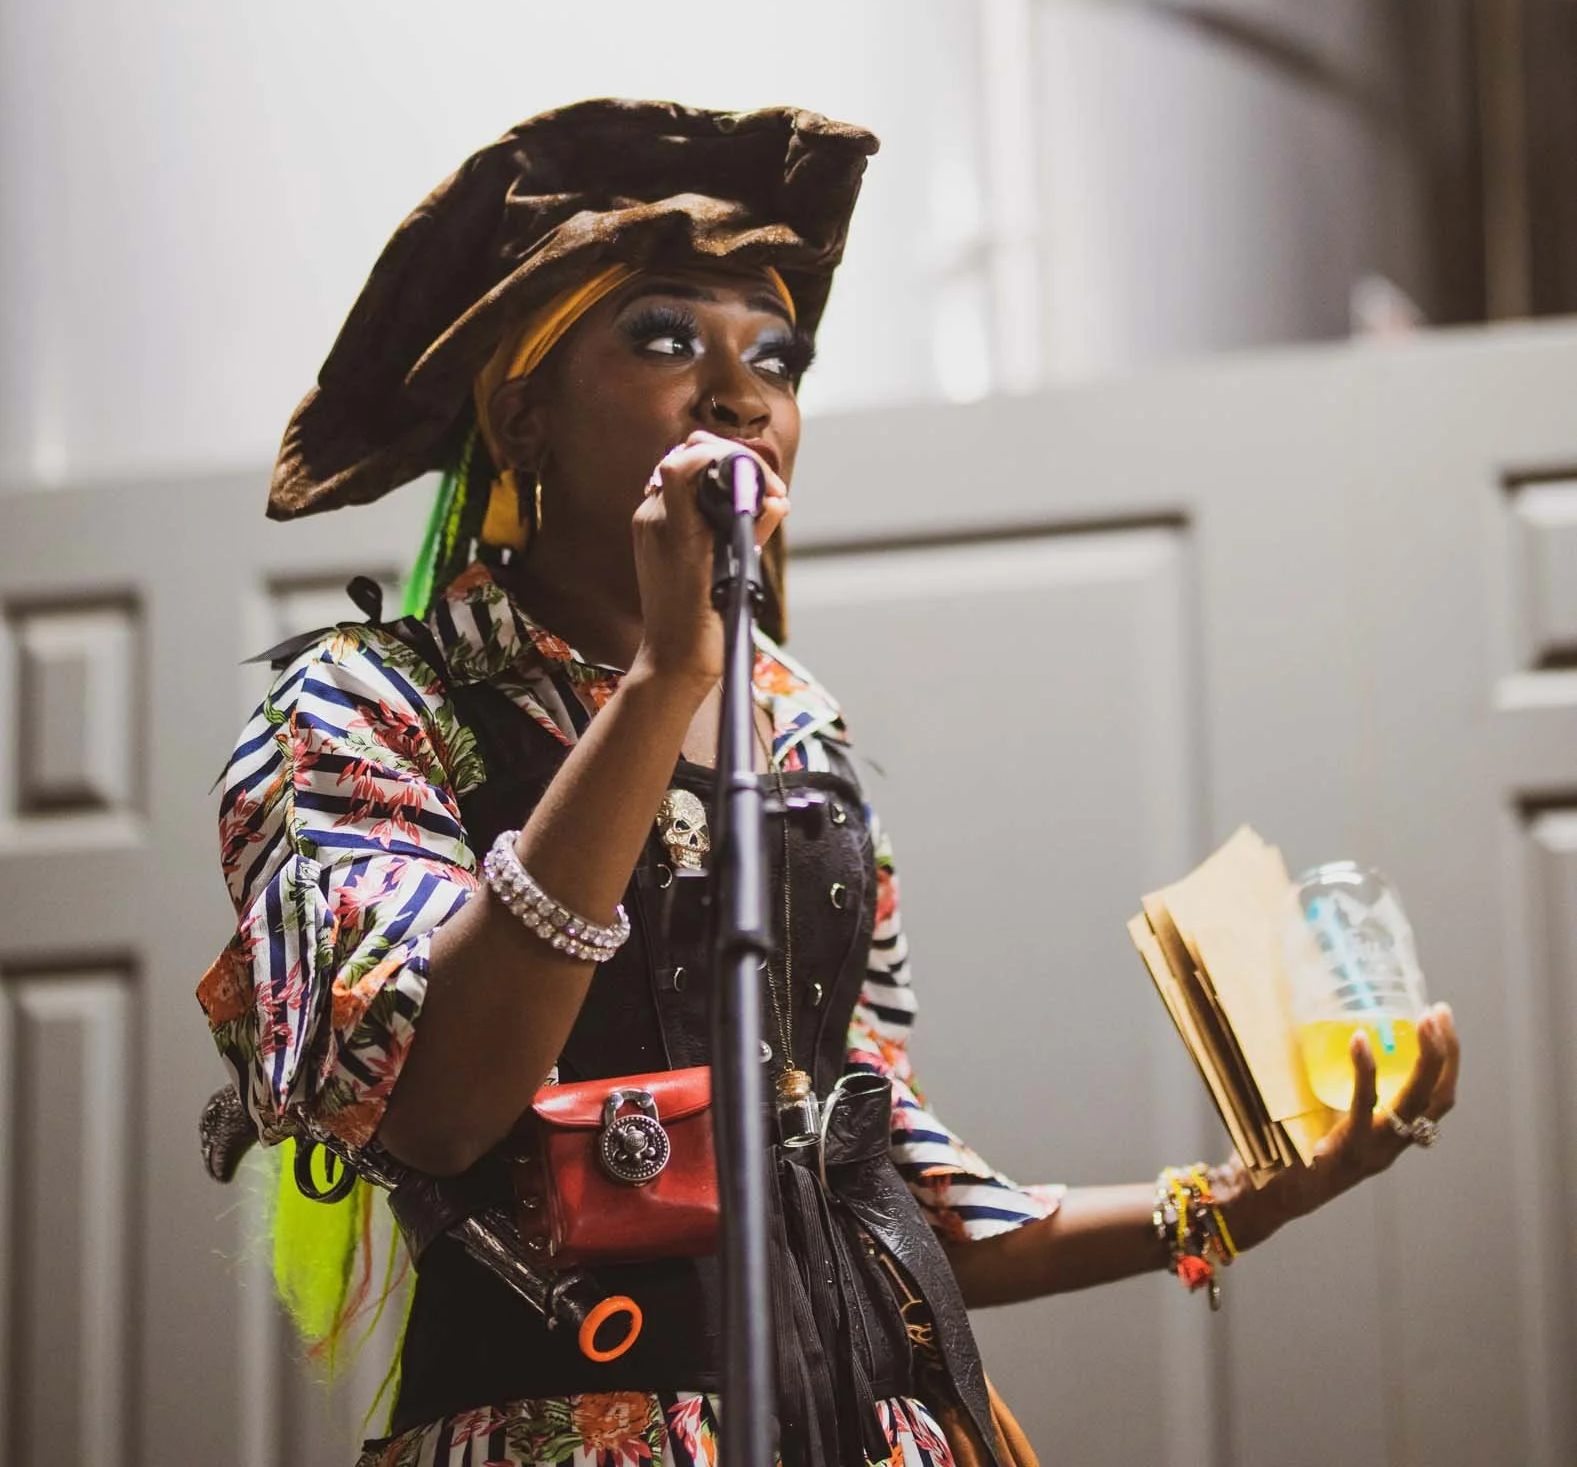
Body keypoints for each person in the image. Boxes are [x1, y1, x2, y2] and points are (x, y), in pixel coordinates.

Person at [198, 100, 1460, 1467]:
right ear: (523, 415)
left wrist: (1238, 1199)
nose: (741, 394)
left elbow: (878, 1187)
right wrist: (664, 682)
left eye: (775, 356)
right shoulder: (372, 708)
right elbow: (441, 1105)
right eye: (666, 338)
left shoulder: (799, 739)